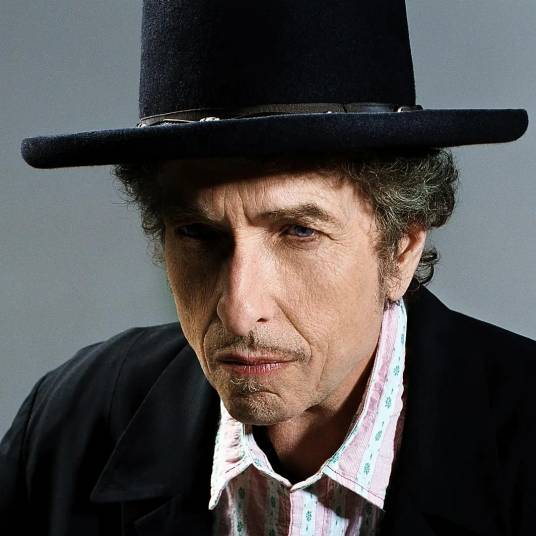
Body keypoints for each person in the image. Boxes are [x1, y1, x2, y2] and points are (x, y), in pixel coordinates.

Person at [1, 1, 534, 535]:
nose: (239, 310)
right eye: (198, 233)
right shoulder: (71, 423)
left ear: (401, 248)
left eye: (299, 231)